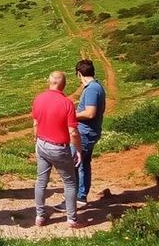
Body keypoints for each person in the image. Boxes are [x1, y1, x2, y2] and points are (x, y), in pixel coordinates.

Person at [32, 71, 85, 228]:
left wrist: (36, 138)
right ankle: (71, 219)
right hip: (59, 147)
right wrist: (79, 150)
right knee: (69, 182)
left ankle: (40, 216)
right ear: (64, 85)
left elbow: (35, 122)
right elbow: (73, 132)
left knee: (41, 181)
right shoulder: (67, 103)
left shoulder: (39, 98)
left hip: (41, 143)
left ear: (49, 81)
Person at [72, 59, 106, 206]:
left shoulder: (91, 89)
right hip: (90, 131)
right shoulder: (97, 86)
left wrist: (71, 115)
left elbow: (90, 113)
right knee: (84, 163)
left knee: (75, 164)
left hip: (85, 133)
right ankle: (81, 195)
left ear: (79, 74)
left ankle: (75, 198)